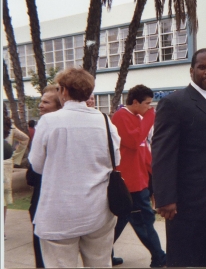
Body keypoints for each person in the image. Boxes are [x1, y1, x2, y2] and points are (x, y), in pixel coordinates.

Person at [29, 68, 120, 267]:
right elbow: (115, 160)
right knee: (100, 263)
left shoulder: (49, 122)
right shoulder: (105, 121)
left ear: (63, 91)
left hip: (59, 212)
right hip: (98, 210)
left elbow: (36, 165)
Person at [152, 48, 206, 267]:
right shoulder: (174, 103)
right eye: (202, 67)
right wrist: (165, 198)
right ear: (191, 71)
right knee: (184, 262)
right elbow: (162, 153)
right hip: (187, 208)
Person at [111, 84, 166, 268]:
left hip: (139, 179)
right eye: (147, 104)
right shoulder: (121, 117)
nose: (150, 108)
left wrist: (154, 170)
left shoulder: (137, 116)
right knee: (144, 220)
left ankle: (104, 253)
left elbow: (142, 151)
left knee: (122, 221)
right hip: (130, 183)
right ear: (135, 102)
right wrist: (150, 118)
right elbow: (134, 141)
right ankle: (159, 258)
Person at [27, 84, 63, 268]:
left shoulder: (51, 127)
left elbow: (36, 166)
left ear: (59, 106)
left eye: (46, 102)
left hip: (48, 193)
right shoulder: (43, 124)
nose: (40, 105)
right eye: (41, 101)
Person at [4, 105, 29, 232]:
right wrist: (14, 157)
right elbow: (25, 139)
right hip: (6, 163)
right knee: (3, 199)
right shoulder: (10, 125)